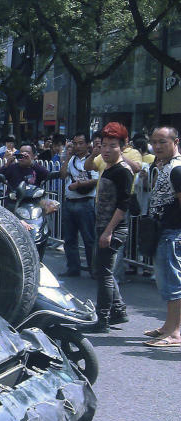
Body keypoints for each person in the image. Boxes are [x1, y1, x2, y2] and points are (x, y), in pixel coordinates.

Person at [85, 123, 133, 334]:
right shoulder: (109, 167)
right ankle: (118, 310)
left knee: (103, 274)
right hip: (103, 226)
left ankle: (102, 318)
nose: (106, 150)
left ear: (123, 146)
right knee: (103, 270)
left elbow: (124, 205)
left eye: (112, 145)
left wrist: (108, 231)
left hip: (112, 228)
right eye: (103, 145)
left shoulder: (123, 171)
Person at [142, 126, 181, 347]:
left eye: (162, 142)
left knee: (173, 284)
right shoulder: (163, 166)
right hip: (162, 231)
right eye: (154, 142)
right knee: (167, 282)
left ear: (176, 141)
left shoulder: (177, 169)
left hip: (172, 233)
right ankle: (168, 326)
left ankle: (175, 333)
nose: (157, 146)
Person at [57, 132, 98, 277]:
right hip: (70, 202)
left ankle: (94, 269)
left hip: (86, 202)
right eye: (75, 143)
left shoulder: (93, 160)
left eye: (81, 143)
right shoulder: (72, 159)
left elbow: (96, 179)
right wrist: (67, 157)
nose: (78, 146)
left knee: (89, 238)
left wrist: (79, 184)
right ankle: (73, 268)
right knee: (69, 238)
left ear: (87, 144)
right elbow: (62, 175)